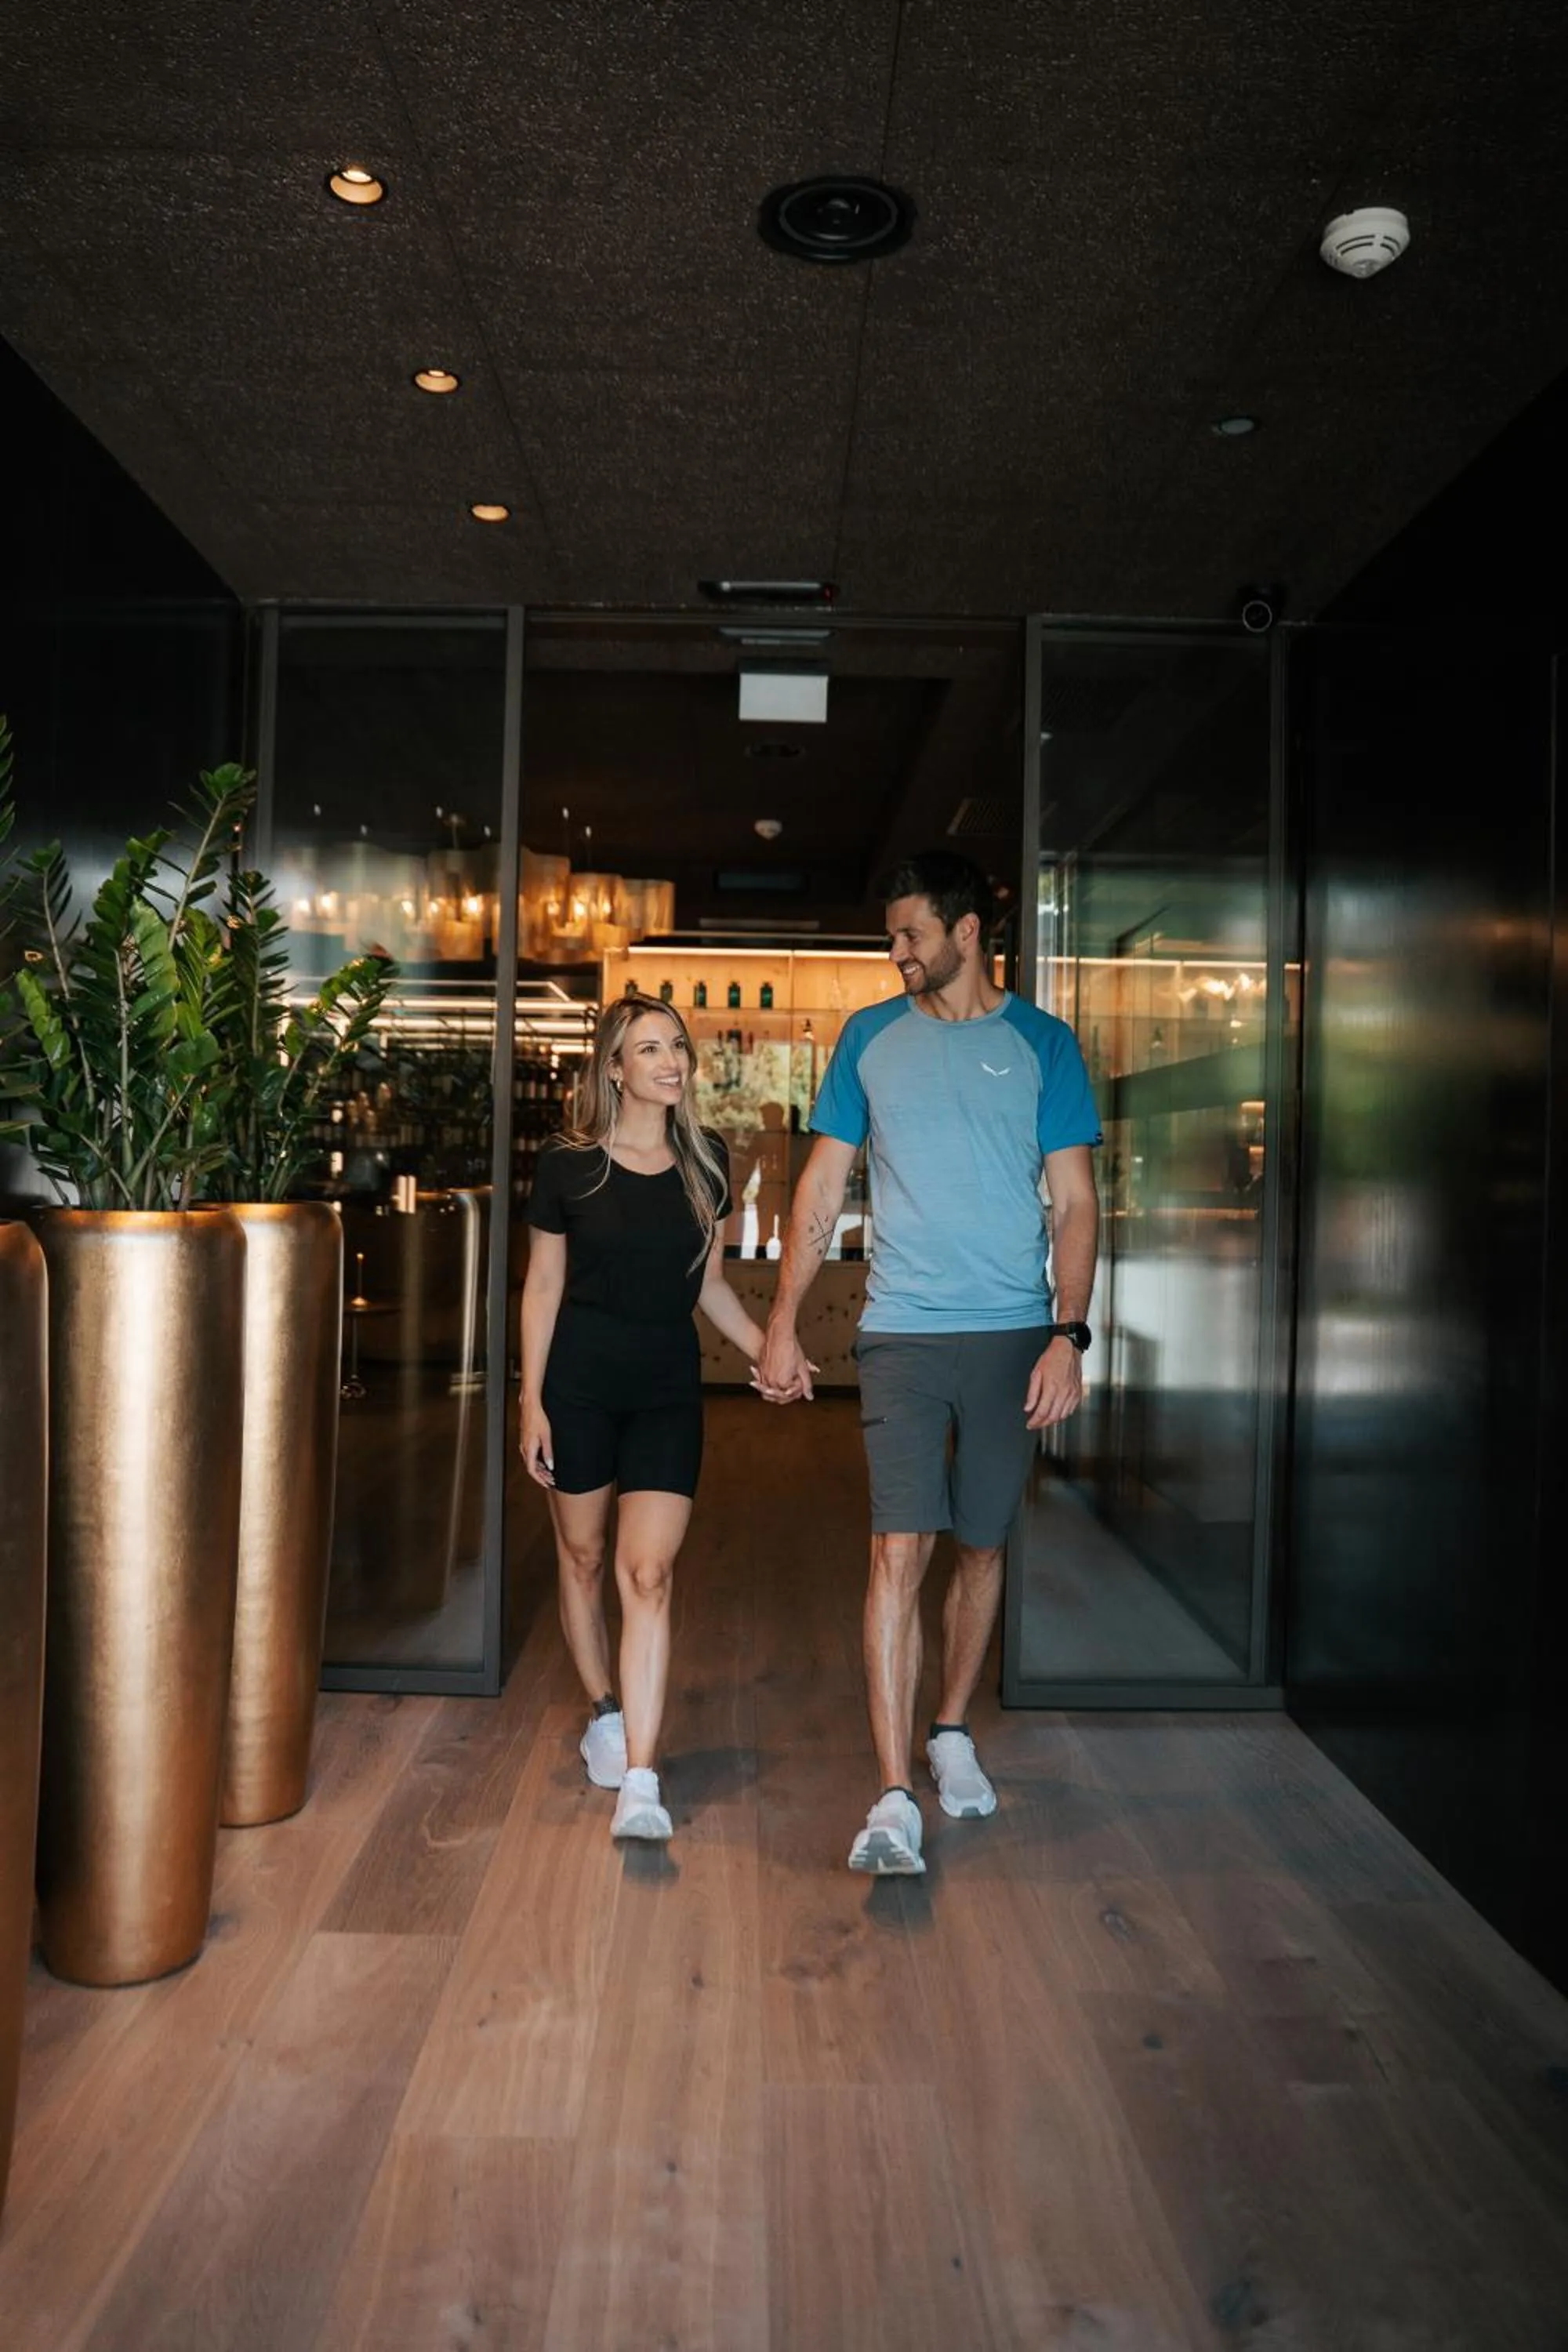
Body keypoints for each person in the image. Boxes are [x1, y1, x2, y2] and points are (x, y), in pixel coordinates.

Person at [758, 851, 1102, 1875]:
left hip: (1010, 1335)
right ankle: (893, 1792)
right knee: (897, 1549)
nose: (895, 951)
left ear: (967, 933)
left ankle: (949, 1728)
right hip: (902, 1329)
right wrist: (782, 1321)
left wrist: (1068, 1333)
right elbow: (820, 1190)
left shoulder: (1044, 1044)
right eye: (893, 935)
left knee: (983, 1544)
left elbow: (1077, 1204)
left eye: (911, 934)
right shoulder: (868, 1039)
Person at [520, 993, 775, 1842]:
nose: (671, 1061)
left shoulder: (707, 1158)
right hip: (579, 1389)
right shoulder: (567, 1167)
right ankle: (602, 1705)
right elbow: (544, 1287)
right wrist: (530, 1400)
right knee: (584, 1556)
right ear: (614, 1067)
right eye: (649, 1049)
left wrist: (764, 1349)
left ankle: (640, 1777)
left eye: (677, 1046)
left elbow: (705, 1285)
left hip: (667, 1386)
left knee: (648, 1575)